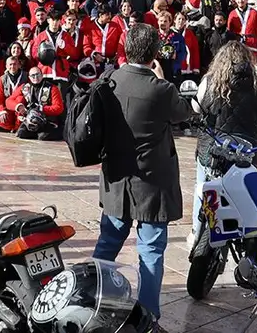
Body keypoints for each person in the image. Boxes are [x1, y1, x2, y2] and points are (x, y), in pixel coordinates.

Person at [94, 24, 192, 323]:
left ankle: (93, 300)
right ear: (154, 54)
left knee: (107, 243)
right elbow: (183, 113)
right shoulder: (161, 89)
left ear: (126, 49)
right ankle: (147, 317)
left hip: (116, 179)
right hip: (151, 183)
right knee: (150, 251)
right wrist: (162, 79)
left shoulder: (108, 81)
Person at [190, 41, 257, 238]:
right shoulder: (256, 83)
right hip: (247, 150)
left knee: (203, 190)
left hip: (213, 148)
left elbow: (196, 107)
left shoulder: (210, 81)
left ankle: (197, 233)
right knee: (244, 193)